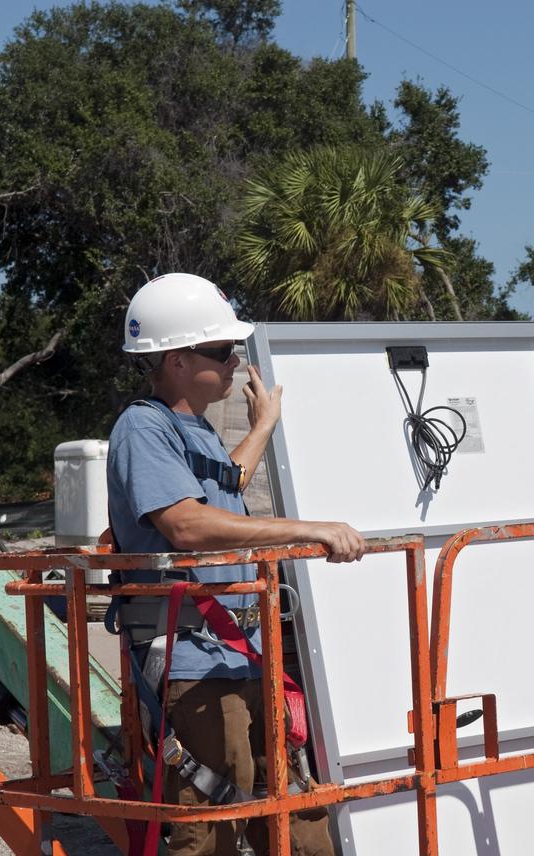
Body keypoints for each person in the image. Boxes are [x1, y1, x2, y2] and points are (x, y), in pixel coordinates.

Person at [108, 272, 367, 856]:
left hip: (242, 657)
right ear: (176, 360)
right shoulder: (142, 427)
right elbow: (187, 523)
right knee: (214, 827)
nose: (233, 364)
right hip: (195, 663)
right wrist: (310, 527)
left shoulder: (190, 430)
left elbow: (225, 485)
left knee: (296, 820)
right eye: (222, 352)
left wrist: (262, 430)